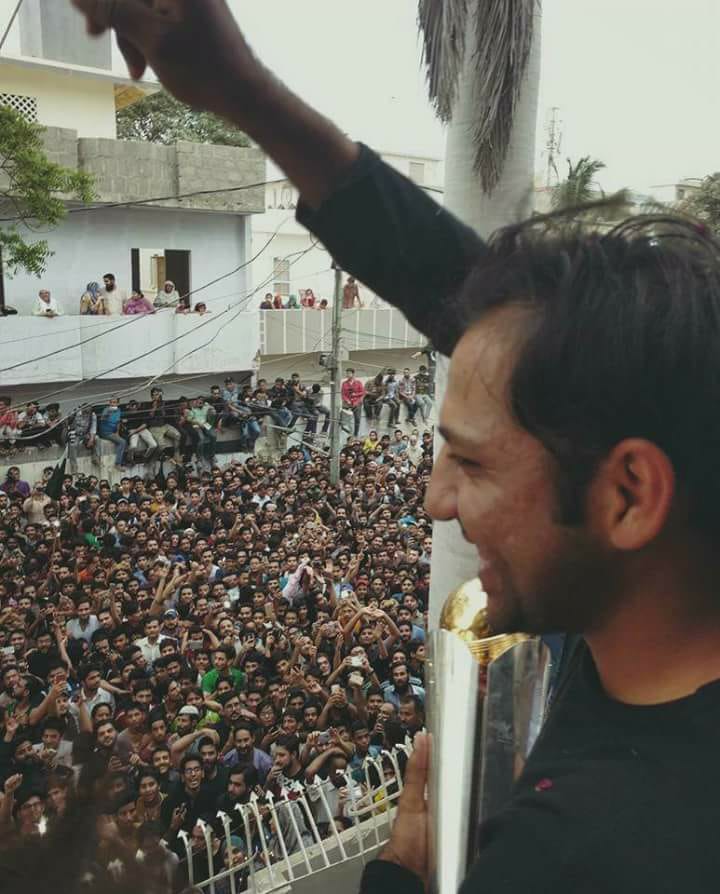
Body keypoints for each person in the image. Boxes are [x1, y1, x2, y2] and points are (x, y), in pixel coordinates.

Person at [66, 5, 720, 893]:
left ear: (630, 494)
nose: (434, 500)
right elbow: (457, 286)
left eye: (472, 461)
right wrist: (235, 85)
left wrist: (401, 875)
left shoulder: (574, 858)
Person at [98, 397, 127, 467]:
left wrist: (117, 432)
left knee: (126, 438)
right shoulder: (106, 410)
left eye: (114, 402)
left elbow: (118, 422)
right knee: (122, 442)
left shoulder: (118, 410)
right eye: (111, 402)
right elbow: (102, 419)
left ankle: (124, 460)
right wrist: (109, 413)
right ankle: (118, 463)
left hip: (113, 431)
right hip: (106, 432)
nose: (112, 404)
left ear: (118, 403)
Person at [341, 368, 365, 437]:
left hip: (357, 403)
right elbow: (343, 394)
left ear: (353, 374)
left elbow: (362, 392)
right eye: (347, 373)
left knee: (357, 419)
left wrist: (356, 395)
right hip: (347, 403)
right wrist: (347, 400)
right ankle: (346, 431)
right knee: (344, 418)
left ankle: (356, 434)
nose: (348, 375)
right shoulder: (344, 383)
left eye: (349, 373)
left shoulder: (358, 382)